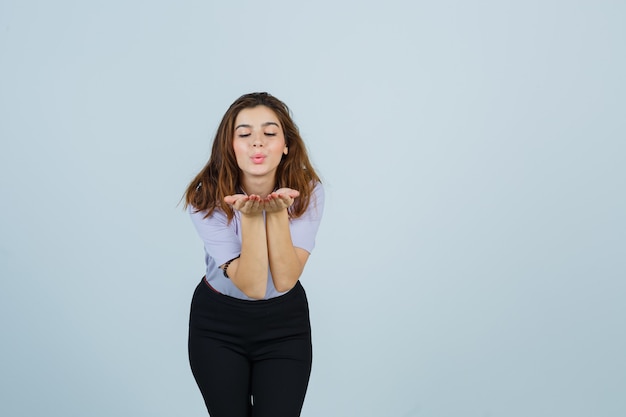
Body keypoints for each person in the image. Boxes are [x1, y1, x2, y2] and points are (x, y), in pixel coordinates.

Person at [183, 92, 324, 417]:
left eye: (269, 133)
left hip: (284, 324)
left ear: (286, 144)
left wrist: (275, 214)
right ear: (229, 146)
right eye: (244, 134)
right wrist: (250, 217)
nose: (257, 143)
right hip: (217, 325)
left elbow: (285, 279)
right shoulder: (205, 197)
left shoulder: (307, 190)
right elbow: (253, 285)